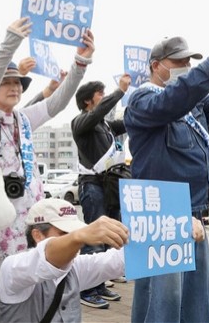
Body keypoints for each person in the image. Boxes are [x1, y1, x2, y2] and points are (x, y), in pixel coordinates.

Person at [0, 18, 94, 322]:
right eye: (7, 82)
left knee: (24, 291)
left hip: (28, 222)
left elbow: (58, 103)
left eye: (18, 83)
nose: (14, 87)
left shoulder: (24, 118)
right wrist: (11, 41)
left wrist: (80, 63)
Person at [124, 35, 209, 322]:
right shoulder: (143, 101)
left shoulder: (193, 104)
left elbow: (191, 93)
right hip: (160, 214)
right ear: (156, 66)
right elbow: (173, 100)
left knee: (199, 294)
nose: (186, 66)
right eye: (179, 61)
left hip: (193, 210)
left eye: (189, 62)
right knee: (164, 299)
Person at [0, 198, 205, 322]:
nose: (75, 240)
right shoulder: (12, 269)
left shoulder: (75, 268)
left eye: (75, 231)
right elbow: (43, 258)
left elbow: (122, 260)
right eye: (64, 233)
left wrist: (178, 229)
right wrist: (78, 236)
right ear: (37, 235)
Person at [72, 75, 131, 308]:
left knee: (108, 238)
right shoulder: (80, 122)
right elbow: (98, 112)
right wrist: (119, 92)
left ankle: (99, 284)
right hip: (92, 185)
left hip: (110, 187)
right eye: (100, 93)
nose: (104, 97)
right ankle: (85, 289)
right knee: (94, 238)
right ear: (88, 100)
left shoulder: (106, 125)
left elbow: (128, 121)